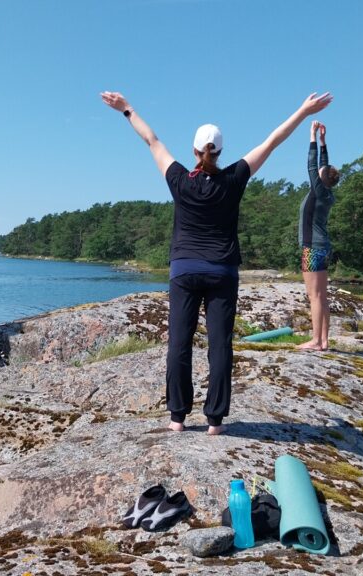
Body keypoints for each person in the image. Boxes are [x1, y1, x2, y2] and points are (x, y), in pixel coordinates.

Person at [101, 90, 332, 435]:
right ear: (219, 152)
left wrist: (127, 109)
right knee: (219, 345)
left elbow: (152, 140)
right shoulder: (234, 178)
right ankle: (214, 421)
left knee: (179, 343)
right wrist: (302, 111)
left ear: (195, 151)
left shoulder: (179, 178)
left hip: (184, 270)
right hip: (222, 271)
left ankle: (177, 418)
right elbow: (272, 141)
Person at [297, 121, 340, 351]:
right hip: (323, 246)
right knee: (322, 295)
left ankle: (316, 340)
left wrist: (311, 136)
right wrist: (324, 141)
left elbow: (312, 166)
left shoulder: (319, 189)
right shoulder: (327, 191)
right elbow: (323, 167)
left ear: (322, 179)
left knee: (314, 296)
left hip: (312, 247)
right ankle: (323, 340)